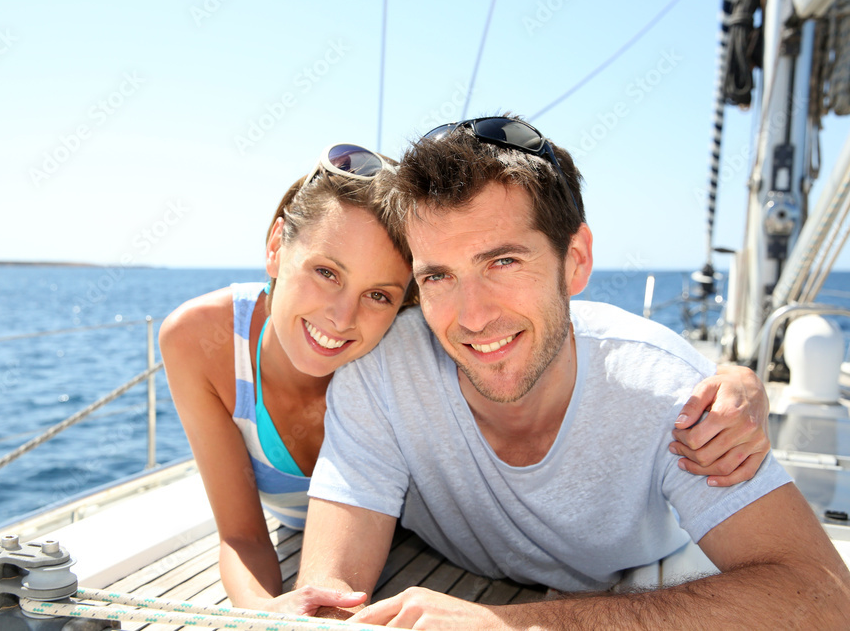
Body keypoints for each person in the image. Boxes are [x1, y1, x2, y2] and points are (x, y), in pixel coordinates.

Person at [160, 141, 773, 615]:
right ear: (276, 246)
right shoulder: (221, 343)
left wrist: (729, 378)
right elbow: (260, 544)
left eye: (380, 294)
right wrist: (269, 617)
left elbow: (538, 325)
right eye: (324, 271)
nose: (342, 318)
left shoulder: (402, 350)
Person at [296, 117, 850, 628]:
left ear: (576, 260)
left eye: (503, 262)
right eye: (438, 276)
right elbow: (325, 598)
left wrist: (513, 625)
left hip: (652, 582)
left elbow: (824, 597)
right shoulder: (381, 376)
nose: (473, 317)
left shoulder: (667, 392)